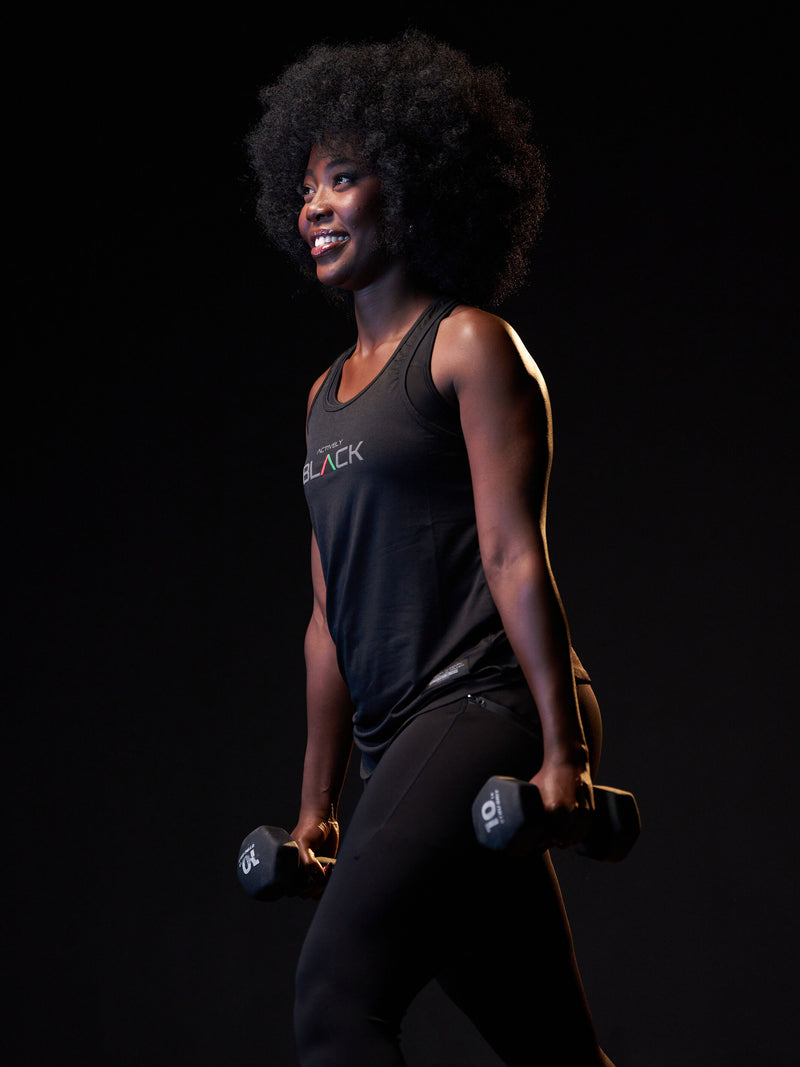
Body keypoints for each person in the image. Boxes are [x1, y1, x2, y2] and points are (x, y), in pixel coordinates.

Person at [248, 30, 618, 1066]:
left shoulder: (466, 344)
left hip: (486, 705)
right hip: (401, 746)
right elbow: (327, 621)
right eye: (305, 188)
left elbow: (511, 552)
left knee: (335, 1000)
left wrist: (565, 753)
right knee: (556, 1052)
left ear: (411, 189)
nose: (314, 207)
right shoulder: (321, 398)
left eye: (343, 179)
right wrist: (317, 810)